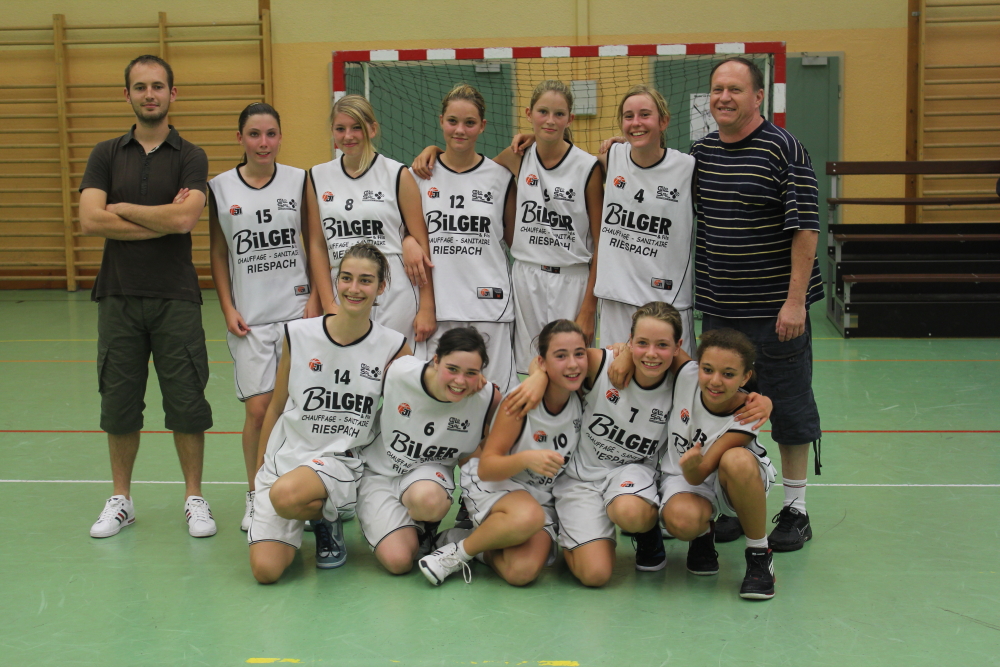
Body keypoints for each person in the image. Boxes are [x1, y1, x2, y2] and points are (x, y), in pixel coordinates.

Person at [690, 57, 823, 550]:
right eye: (717, 89)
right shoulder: (701, 152)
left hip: (774, 312)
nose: (724, 97)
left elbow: (806, 229)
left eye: (735, 90)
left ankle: (795, 510)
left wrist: (794, 303)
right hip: (721, 309)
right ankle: (737, 502)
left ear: (758, 97)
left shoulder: (784, 150)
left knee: (788, 408)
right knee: (727, 409)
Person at [79, 55, 215, 539]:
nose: (150, 94)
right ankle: (121, 499)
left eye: (158, 86)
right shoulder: (105, 154)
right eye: (140, 87)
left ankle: (194, 497)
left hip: (176, 297)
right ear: (128, 96)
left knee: (186, 403)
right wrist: (157, 218)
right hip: (117, 296)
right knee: (118, 404)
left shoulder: (191, 156)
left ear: (173, 94)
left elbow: (184, 221)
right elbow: (91, 221)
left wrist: (125, 211)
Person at [247, 243, 410, 584]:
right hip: (289, 457)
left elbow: (407, 413)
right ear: (336, 281)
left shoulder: (393, 345)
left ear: (381, 287)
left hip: (342, 460)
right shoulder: (300, 334)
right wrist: (257, 479)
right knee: (265, 570)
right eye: (346, 278)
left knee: (286, 496)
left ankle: (327, 515)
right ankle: (323, 511)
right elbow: (276, 406)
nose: (354, 288)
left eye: (366, 281)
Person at [412, 80, 603, 371]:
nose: (550, 120)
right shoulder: (515, 158)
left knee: (572, 370)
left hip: (572, 278)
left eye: (558, 114)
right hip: (526, 277)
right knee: (529, 370)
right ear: (529, 114)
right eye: (543, 112)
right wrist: (432, 150)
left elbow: (602, 242)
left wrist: (588, 309)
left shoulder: (587, 167)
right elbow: (460, 163)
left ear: (570, 118)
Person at [208, 102, 321, 531]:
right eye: (254, 134)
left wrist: (313, 295)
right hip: (250, 319)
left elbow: (312, 242)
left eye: (271, 134)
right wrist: (226, 305)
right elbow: (218, 252)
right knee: (258, 410)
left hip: (296, 314)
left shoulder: (298, 180)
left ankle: (296, 491)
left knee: (296, 408)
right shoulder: (220, 187)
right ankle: (256, 493)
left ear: (280, 137)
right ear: (240, 139)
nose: (263, 142)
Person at [419, 319, 586, 587]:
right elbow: (487, 467)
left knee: (522, 572)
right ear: (542, 362)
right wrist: (528, 458)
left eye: (580, 354)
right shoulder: (522, 400)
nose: (573, 364)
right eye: (561, 356)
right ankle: (456, 554)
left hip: (541, 498)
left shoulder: (581, 390)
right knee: (526, 516)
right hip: (498, 483)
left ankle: (465, 539)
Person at [356, 327, 501, 575]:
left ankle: (427, 527)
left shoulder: (487, 398)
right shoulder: (399, 373)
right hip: (378, 475)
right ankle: (396, 524)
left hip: (427, 476)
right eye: (452, 369)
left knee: (428, 501)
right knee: (399, 562)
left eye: (471, 373)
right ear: (435, 360)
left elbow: (491, 450)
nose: (459, 381)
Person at [408, 83, 519, 393]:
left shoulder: (500, 176)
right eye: (453, 121)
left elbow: (512, 239)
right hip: (437, 311)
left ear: (482, 126)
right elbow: (409, 233)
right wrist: (408, 241)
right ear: (441, 120)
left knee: (493, 398)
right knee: (435, 397)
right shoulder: (417, 177)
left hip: (490, 309)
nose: (460, 130)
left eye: (469, 123)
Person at [306, 95, 436, 345]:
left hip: (394, 287)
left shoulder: (398, 174)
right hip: (345, 287)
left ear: (372, 129)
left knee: (393, 369)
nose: (348, 136)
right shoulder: (316, 177)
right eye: (340, 128)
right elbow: (317, 244)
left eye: (357, 127)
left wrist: (427, 306)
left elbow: (422, 244)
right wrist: (328, 302)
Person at [659, 328, 777, 599]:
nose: (715, 381)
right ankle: (703, 534)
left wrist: (691, 467)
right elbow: (655, 351)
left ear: (746, 377)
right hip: (687, 477)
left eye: (728, 374)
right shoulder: (687, 374)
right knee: (680, 522)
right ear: (698, 366)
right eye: (708, 369)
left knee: (734, 459)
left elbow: (699, 473)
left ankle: (759, 555)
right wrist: (623, 352)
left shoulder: (745, 414)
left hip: (732, 480)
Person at [593, 86, 696, 357]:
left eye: (645, 115)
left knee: (669, 387)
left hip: (667, 302)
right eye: (628, 116)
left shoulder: (687, 168)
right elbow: (564, 159)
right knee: (616, 383)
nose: (636, 122)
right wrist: (537, 136)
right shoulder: (610, 158)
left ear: (663, 121)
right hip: (617, 299)